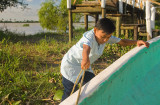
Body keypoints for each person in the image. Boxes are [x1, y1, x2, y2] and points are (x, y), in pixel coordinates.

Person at [60, 18, 150, 101]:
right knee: (70, 92)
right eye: (103, 37)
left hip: (85, 65)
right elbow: (86, 48)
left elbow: (122, 42)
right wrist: (85, 58)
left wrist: (136, 42)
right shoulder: (89, 37)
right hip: (71, 64)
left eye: (108, 37)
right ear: (95, 30)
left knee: (93, 86)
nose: (105, 40)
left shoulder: (106, 37)